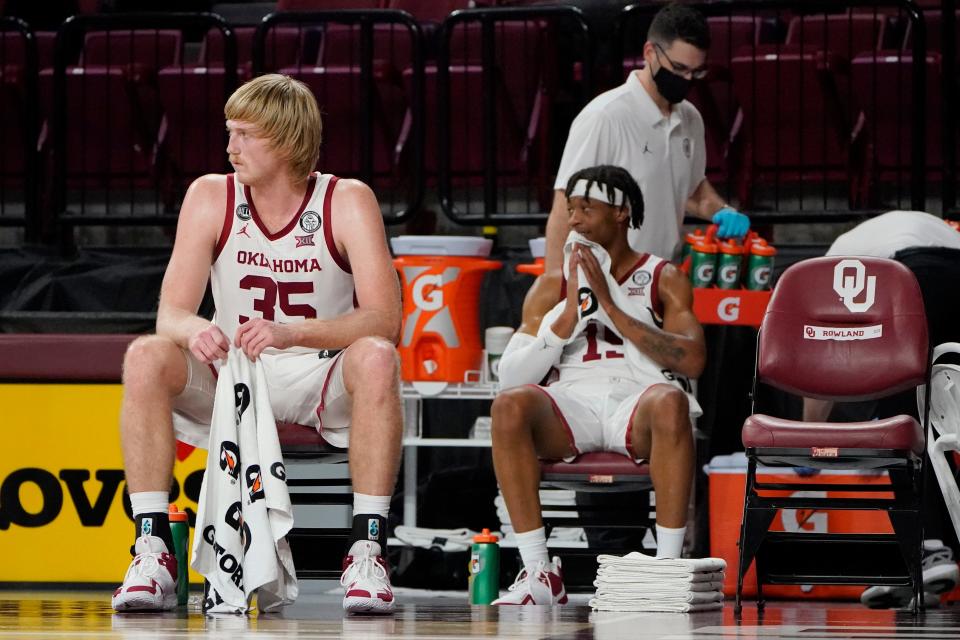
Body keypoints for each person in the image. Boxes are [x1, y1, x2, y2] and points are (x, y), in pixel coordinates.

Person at [111, 74, 403, 615]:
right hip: (234, 372)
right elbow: (170, 313)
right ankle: (152, 549)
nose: (230, 146)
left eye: (245, 134)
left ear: (288, 140)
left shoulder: (347, 199)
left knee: (379, 357)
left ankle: (368, 549)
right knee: (146, 354)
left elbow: (385, 320)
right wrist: (195, 330)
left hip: (319, 370)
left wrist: (293, 332)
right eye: (230, 132)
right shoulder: (209, 194)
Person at [490, 165, 706, 605]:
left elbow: (694, 360)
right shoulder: (552, 285)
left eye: (586, 208)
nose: (574, 220)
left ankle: (665, 569)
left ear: (622, 212)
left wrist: (611, 304)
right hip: (571, 405)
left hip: (636, 402)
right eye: (570, 210)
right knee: (508, 406)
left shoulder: (663, 277)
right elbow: (509, 378)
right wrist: (564, 322)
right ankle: (538, 571)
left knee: (671, 401)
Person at [804, 210, 960, 609]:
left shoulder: (830, 265)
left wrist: (809, 435)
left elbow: (819, 358)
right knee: (945, 428)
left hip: (916, 276)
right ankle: (927, 555)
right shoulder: (910, 228)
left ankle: (924, 549)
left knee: (901, 423)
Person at [545, 2, 749, 277]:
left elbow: (691, 191)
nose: (687, 79)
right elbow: (564, 207)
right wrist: (555, 288)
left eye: (696, 72)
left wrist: (722, 210)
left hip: (663, 278)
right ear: (650, 52)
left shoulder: (691, 119)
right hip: (607, 280)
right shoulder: (604, 116)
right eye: (678, 68)